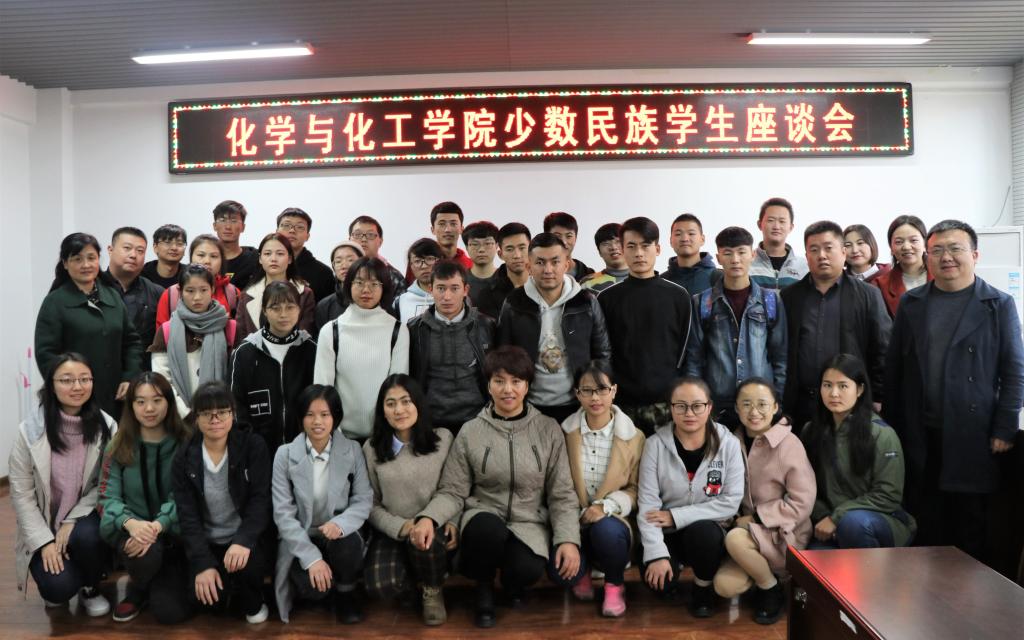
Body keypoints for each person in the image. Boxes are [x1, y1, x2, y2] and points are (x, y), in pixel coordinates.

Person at [409, 346, 582, 628]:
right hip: (484, 514)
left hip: (529, 522)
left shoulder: (548, 429)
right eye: (499, 381)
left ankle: (513, 584)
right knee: (486, 529)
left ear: (527, 386)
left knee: (528, 569)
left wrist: (568, 540)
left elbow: (561, 494)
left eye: (516, 381)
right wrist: (429, 517)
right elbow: (453, 489)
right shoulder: (471, 431)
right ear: (488, 386)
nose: (507, 389)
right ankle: (484, 588)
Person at [883, 220, 1024, 563]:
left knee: (970, 526)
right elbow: (895, 369)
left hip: (974, 433)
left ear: (974, 255)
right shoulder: (913, 303)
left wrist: (1005, 427)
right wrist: (892, 426)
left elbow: (1014, 370)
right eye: (937, 250)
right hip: (921, 432)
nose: (946, 257)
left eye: (955, 248)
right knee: (926, 523)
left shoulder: (998, 304)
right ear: (928, 257)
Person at [10, 354, 116, 615]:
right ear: (51, 385)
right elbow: (22, 495)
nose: (77, 387)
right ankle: (71, 576)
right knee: (58, 589)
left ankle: (90, 586)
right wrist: (44, 541)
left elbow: (107, 483)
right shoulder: (30, 431)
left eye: (84, 379)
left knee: (88, 537)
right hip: (44, 525)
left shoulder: (106, 426)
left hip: (84, 518)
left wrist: (72, 520)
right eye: (67, 380)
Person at [638, 377, 744, 618]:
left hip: (707, 532)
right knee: (659, 584)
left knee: (703, 533)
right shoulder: (654, 445)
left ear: (709, 407)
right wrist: (656, 554)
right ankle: (671, 568)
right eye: (681, 406)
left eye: (697, 406)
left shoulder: (729, 445)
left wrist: (676, 516)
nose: (689, 413)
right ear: (671, 408)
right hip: (667, 531)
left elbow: (730, 502)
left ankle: (703, 587)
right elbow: (647, 504)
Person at [712, 378, 815, 625]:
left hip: (783, 532)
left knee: (735, 540)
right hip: (747, 532)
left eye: (762, 404)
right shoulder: (729, 442)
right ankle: (766, 579)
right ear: (736, 408)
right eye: (746, 404)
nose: (754, 411)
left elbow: (802, 501)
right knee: (724, 586)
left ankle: (770, 589)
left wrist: (757, 517)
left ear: (775, 407)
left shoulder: (789, 444)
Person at [172, 381, 272, 624]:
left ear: (233, 414)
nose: (215, 419)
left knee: (251, 601)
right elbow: (187, 515)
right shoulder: (184, 457)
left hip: (245, 538)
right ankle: (227, 585)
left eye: (222, 412)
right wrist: (203, 563)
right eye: (207, 413)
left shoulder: (252, 445)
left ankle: (248, 592)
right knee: (208, 604)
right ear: (196, 418)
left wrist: (243, 540)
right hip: (209, 542)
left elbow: (261, 500)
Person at [272, 384, 372, 624]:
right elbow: (283, 514)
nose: (317, 421)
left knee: (347, 545)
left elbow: (363, 499)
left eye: (325, 414)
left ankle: (346, 592)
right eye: (310, 414)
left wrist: (341, 524)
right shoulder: (284, 455)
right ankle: (324, 586)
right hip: (302, 535)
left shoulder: (352, 450)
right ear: (301, 418)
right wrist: (312, 559)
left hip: (337, 532)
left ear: (335, 417)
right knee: (314, 590)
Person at [99, 372, 192, 624]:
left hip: (174, 535)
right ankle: (139, 587)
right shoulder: (118, 445)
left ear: (169, 403)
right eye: (140, 401)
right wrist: (130, 524)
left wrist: (158, 525)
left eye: (157, 400)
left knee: (170, 613)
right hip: (134, 536)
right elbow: (107, 497)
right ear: (131, 406)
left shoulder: (185, 443)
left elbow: (185, 495)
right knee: (145, 554)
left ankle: (162, 580)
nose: (149, 409)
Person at [781, 221, 891, 432]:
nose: (821, 255)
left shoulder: (868, 295)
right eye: (814, 249)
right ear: (806, 255)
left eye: (828, 248)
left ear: (843, 252)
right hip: (801, 404)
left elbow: (883, 348)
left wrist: (878, 395)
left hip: (851, 403)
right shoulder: (790, 297)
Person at [363, 376, 456, 625]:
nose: (399, 410)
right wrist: (402, 527)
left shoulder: (443, 439)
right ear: (382, 411)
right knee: (380, 585)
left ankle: (433, 588)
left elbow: (452, 489)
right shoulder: (371, 449)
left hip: (433, 527)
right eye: (390, 403)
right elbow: (371, 504)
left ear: (418, 403)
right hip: (394, 530)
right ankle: (411, 581)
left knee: (425, 541)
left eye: (406, 401)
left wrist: (441, 520)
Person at [802, 354, 914, 550]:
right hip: (828, 522)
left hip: (876, 520)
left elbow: (888, 495)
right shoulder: (811, 431)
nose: (834, 393)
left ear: (860, 389)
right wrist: (824, 516)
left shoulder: (882, 434)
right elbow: (804, 486)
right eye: (827, 385)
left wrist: (837, 517)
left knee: (853, 524)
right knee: (812, 560)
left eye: (843, 386)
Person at [560, 361, 645, 618]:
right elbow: (556, 484)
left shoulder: (634, 437)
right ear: (577, 394)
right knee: (556, 570)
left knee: (605, 530)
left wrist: (605, 506)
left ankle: (614, 585)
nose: (595, 398)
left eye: (602, 389)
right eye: (587, 390)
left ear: (614, 391)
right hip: (572, 515)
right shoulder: (564, 433)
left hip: (613, 519)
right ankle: (582, 570)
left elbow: (636, 489)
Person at [497, 233, 611, 422]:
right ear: (529, 266)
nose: (548, 270)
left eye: (555, 262)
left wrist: (596, 396)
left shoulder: (586, 302)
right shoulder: (514, 302)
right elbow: (503, 355)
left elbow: (602, 353)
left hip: (578, 406)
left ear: (566, 265)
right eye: (540, 262)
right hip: (529, 406)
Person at [598, 217, 692, 435]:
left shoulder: (678, 296)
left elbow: (686, 351)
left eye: (645, 246)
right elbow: (603, 352)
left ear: (657, 249)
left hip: (667, 404)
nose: (639, 253)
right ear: (623, 250)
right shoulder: (607, 299)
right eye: (631, 246)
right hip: (621, 405)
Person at [685, 226, 787, 428]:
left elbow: (780, 358)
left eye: (741, 252)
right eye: (727, 253)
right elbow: (694, 359)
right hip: (717, 405)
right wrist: (697, 403)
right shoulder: (703, 302)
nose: (735, 259)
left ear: (753, 254)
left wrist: (777, 400)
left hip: (760, 404)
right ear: (718, 257)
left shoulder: (770, 300)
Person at [35, 233, 143, 417]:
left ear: (98, 259)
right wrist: (69, 387)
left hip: (116, 397)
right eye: (77, 259)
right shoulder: (55, 302)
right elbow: (46, 354)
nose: (86, 265)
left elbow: (132, 342)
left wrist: (129, 377)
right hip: (75, 401)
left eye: (91, 258)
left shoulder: (112, 296)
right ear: (65, 263)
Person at [314, 257, 410, 441]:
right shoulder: (331, 331)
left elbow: (398, 387)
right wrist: (335, 434)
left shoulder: (397, 330)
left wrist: (389, 433)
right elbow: (323, 389)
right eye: (359, 283)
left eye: (374, 284)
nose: (366, 290)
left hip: (384, 435)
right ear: (348, 285)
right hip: (340, 436)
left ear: (384, 288)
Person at [407, 261, 494, 433]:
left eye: (454, 288)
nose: (447, 297)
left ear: (465, 290)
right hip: (431, 421)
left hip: (477, 419)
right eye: (440, 288)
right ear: (430, 289)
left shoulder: (486, 326)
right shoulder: (414, 329)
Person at [231, 281, 317, 455]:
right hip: (257, 450)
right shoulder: (245, 352)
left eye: (290, 307)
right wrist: (251, 445)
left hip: (304, 448)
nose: (283, 314)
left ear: (299, 309)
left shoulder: (311, 350)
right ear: (264, 310)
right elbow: (236, 404)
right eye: (275, 308)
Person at [151, 265, 238, 417]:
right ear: (180, 291)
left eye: (203, 290)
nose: (197, 297)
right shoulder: (166, 330)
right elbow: (162, 380)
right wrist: (186, 415)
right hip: (180, 418)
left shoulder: (229, 328)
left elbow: (237, 380)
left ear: (212, 289)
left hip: (220, 417)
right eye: (190, 291)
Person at [236, 232, 316, 339]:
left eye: (280, 254)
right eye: (267, 254)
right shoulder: (246, 295)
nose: (273, 258)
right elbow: (240, 338)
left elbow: (304, 336)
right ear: (260, 259)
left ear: (290, 259)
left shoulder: (304, 294)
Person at [104, 227, 164, 368]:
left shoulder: (157, 292)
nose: (133, 255)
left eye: (140, 251)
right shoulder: (92, 287)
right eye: (127, 248)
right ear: (110, 250)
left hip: (141, 373)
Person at [154, 234, 241, 326]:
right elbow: (163, 332)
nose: (207, 261)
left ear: (222, 260)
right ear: (191, 257)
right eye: (201, 255)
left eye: (214, 256)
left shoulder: (233, 294)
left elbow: (240, 331)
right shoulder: (171, 294)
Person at [872, 215, 932, 317]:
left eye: (913, 240)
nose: (906, 247)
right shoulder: (879, 286)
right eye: (899, 242)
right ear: (891, 248)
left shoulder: (944, 276)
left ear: (925, 244)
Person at [276, 207, 336, 304]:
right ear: (276, 232)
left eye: (300, 227)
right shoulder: (262, 264)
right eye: (286, 225)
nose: (292, 230)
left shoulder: (323, 273)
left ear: (307, 236)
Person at [749, 197, 809, 290]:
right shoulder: (747, 263)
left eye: (782, 221)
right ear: (759, 224)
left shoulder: (804, 267)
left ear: (791, 227)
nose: (776, 226)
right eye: (770, 220)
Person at [475, 222, 531, 319]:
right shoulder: (488, 295)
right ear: (500, 254)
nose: (517, 255)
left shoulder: (545, 286)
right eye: (510, 249)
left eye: (522, 248)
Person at [348, 215, 407, 302]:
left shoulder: (393, 276)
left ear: (380, 241)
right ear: (349, 239)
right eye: (357, 234)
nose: (363, 239)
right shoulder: (343, 271)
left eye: (370, 235)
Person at [662, 213, 721, 295]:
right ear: (671, 241)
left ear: (702, 239)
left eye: (691, 233)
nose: (685, 239)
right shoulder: (662, 281)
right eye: (678, 234)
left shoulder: (720, 279)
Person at [314, 241, 364, 333]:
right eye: (338, 261)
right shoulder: (324, 306)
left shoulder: (373, 300)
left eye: (350, 260)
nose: (344, 266)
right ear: (333, 266)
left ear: (362, 263)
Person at [212, 200, 259, 288]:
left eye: (234, 221)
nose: (228, 227)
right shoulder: (207, 259)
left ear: (243, 227)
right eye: (222, 220)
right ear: (214, 226)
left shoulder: (255, 257)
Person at [394, 238, 444, 321]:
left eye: (429, 259)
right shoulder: (400, 303)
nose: (424, 266)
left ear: (440, 261)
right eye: (417, 261)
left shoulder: (454, 298)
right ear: (411, 266)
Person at [544, 211, 594, 282]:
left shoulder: (589, 275)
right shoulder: (536, 273)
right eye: (557, 236)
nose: (564, 242)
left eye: (569, 236)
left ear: (575, 238)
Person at [581, 222, 629, 293]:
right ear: (599, 252)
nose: (613, 247)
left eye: (618, 241)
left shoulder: (643, 278)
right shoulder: (587, 283)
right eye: (606, 244)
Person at [462, 220, 499, 305]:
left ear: (497, 245)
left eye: (488, 243)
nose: (481, 250)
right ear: (467, 247)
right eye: (475, 244)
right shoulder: (459, 280)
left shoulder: (507, 278)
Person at [427, 201, 473, 270]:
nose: (447, 230)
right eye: (442, 224)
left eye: (453, 224)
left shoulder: (473, 266)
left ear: (461, 229)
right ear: (432, 229)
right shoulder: (421, 264)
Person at [142, 224, 187, 289]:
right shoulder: (142, 274)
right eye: (167, 243)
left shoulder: (189, 275)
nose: (174, 248)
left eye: (179, 243)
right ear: (155, 247)